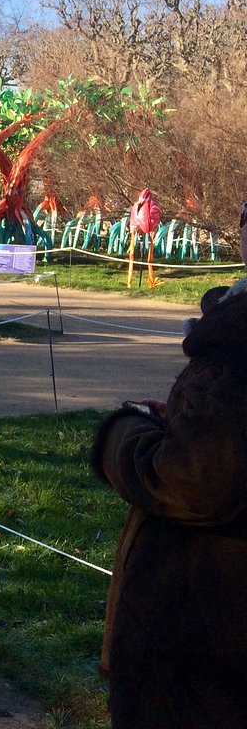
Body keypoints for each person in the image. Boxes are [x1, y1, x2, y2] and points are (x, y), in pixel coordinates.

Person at [90, 217, 247, 728]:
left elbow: (192, 482)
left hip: (199, 655)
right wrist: (181, 424)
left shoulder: (235, 350)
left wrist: (121, 436)